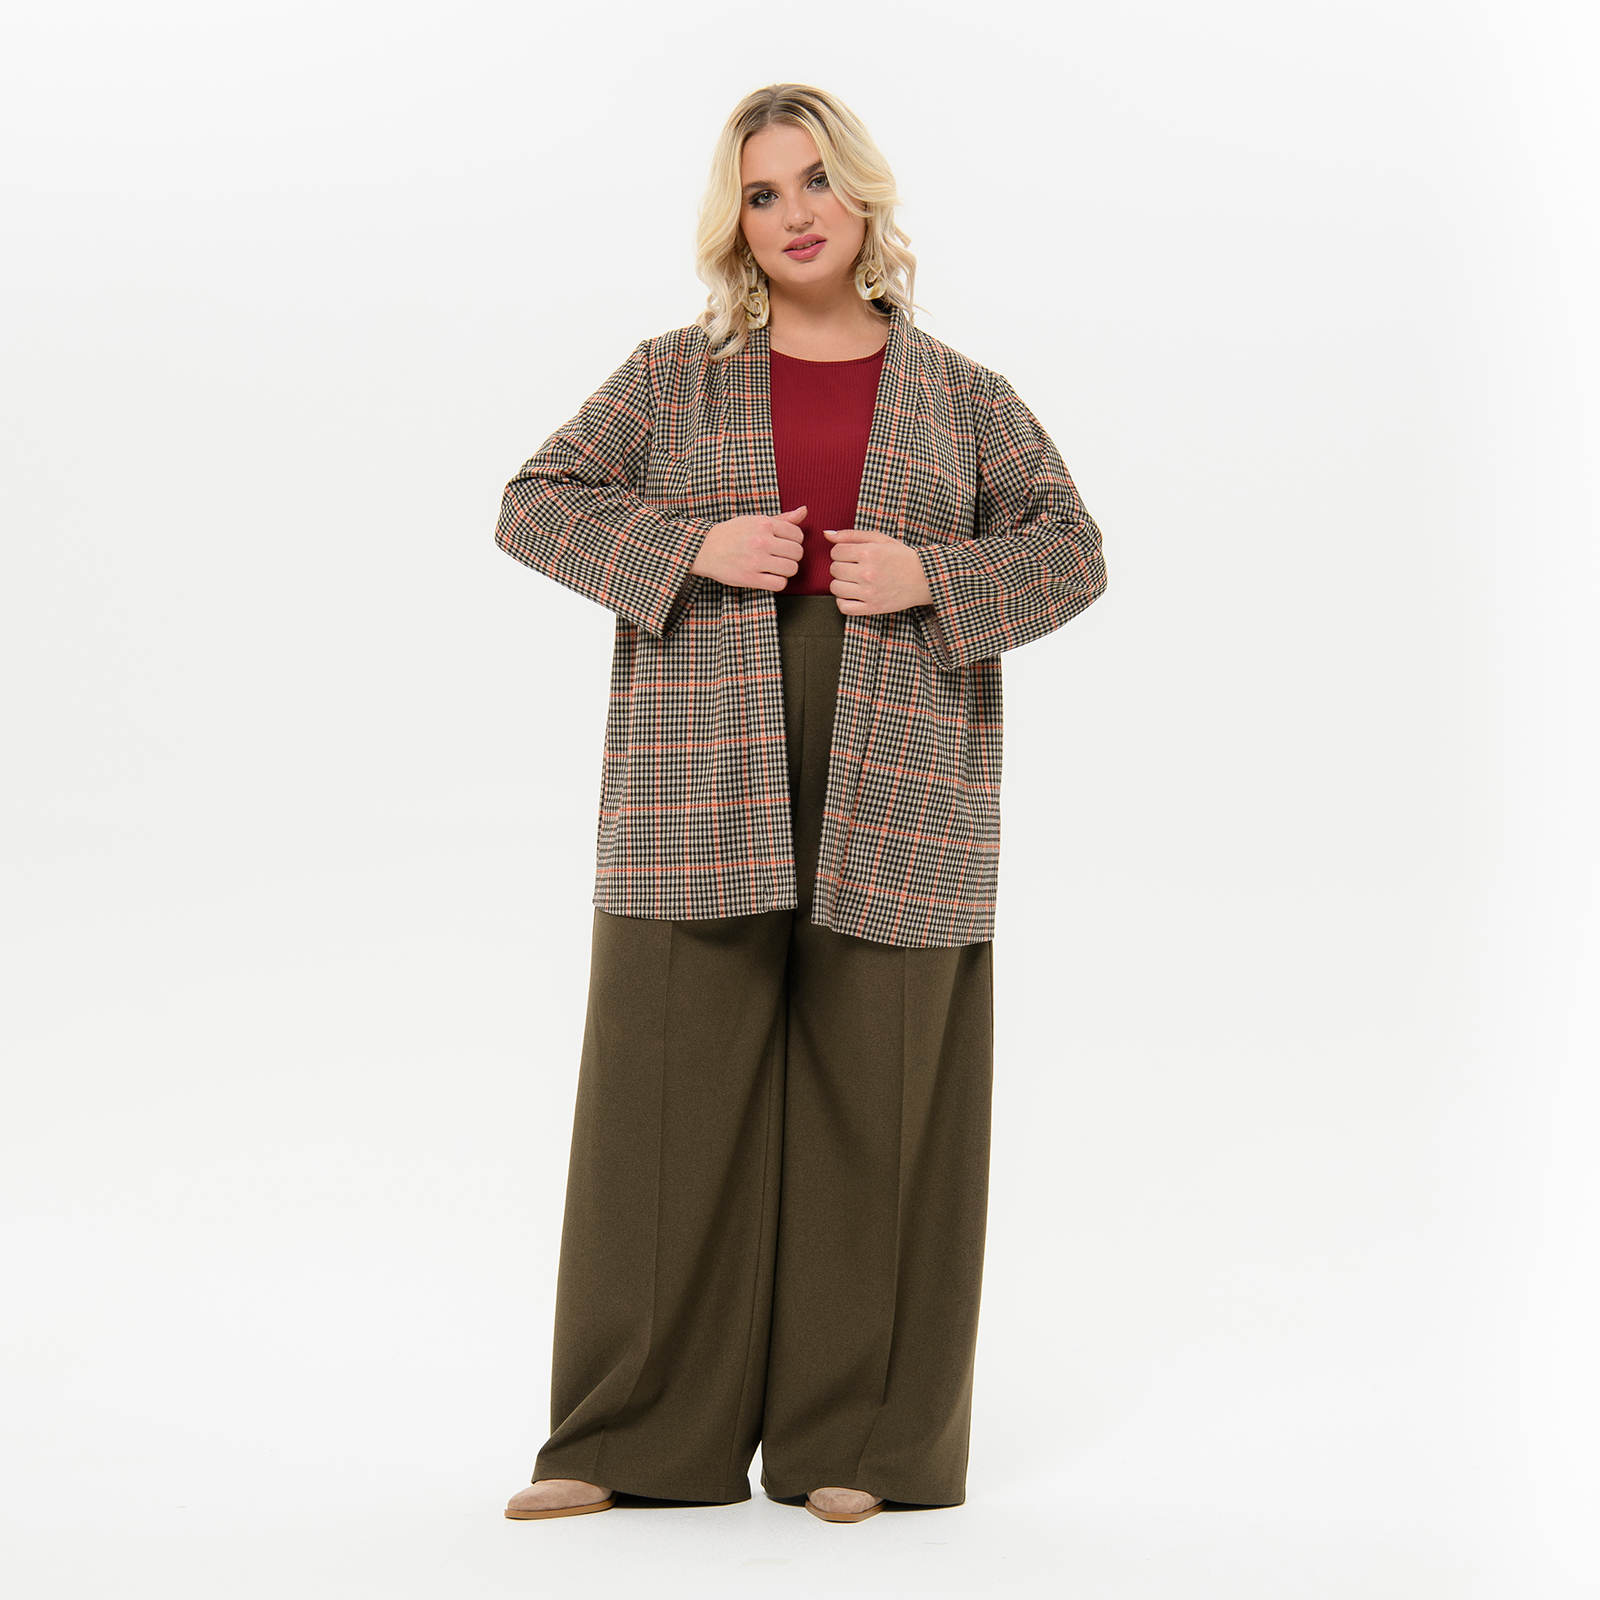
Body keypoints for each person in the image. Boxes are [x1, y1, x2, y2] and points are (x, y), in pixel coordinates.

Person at [495, 83, 1106, 1525]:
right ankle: (629, 1435)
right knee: (664, 1087)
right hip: (699, 763)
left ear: (863, 193)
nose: (795, 214)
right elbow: (537, 502)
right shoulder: (671, 376)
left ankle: (863, 1444)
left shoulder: (963, 394)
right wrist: (693, 544)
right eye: (763, 193)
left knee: (880, 1094)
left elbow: (1072, 551)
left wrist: (938, 574)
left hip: (903, 762)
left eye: (815, 181)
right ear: (738, 221)